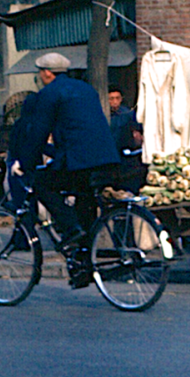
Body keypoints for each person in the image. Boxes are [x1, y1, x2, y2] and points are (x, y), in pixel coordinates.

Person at [20, 52, 121, 287]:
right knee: (86, 209)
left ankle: (69, 227)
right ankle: (83, 269)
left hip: (79, 160)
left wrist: (26, 164)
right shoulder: (86, 89)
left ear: (46, 73)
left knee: (42, 183)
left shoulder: (50, 93)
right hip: (105, 158)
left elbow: (38, 133)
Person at [108, 85, 145, 193]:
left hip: (125, 153)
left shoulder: (127, 113)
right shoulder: (102, 113)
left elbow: (137, 130)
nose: (115, 102)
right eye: (111, 98)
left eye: (117, 98)